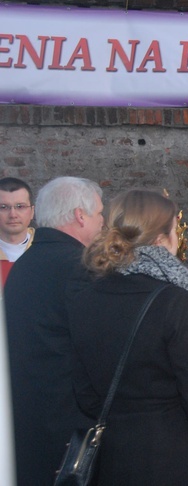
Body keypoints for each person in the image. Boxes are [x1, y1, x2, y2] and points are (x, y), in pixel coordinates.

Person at [66, 189, 188, 484]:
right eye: (175, 229)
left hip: (115, 458)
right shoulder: (175, 300)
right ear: (162, 239)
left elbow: (85, 393)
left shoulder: (85, 297)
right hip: (178, 457)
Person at [4, 176, 104, 485]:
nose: (103, 221)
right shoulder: (81, 269)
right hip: (72, 429)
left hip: (27, 418)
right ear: (80, 215)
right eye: (100, 213)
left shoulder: (24, 265)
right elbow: (99, 350)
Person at [0, 178, 35, 286]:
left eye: (20, 206)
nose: (13, 215)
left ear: (32, 212)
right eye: (3, 207)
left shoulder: (47, 249)